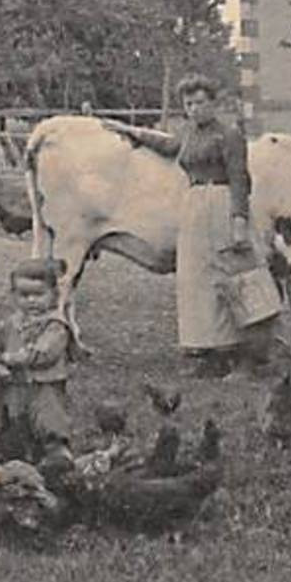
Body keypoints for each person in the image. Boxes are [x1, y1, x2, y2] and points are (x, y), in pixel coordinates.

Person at [104, 74, 255, 378]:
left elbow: (240, 179)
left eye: (200, 102)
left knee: (226, 279)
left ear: (214, 103)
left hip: (221, 202)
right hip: (194, 207)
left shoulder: (229, 134)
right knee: (196, 282)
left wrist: (239, 222)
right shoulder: (189, 133)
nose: (195, 109)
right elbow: (167, 145)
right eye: (189, 104)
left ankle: (242, 359)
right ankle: (208, 354)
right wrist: (129, 130)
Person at [0, 258, 75, 476]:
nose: (31, 301)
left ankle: (56, 454)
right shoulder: (11, 323)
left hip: (44, 384)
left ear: (53, 294)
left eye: (38, 295)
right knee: (16, 418)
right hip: (16, 385)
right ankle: (17, 455)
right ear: (13, 295)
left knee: (48, 418)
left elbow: (44, 353)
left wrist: (13, 358)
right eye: (24, 295)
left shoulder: (55, 325)